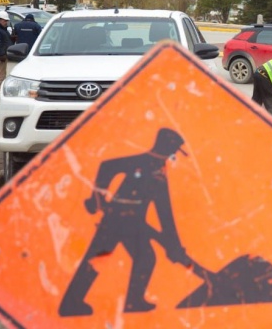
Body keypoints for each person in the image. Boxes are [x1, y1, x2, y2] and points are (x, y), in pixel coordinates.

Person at [59, 128, 192, 316]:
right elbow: (106, 166)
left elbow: (164, 211)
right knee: (99, 257)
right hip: (115, 217)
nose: (173, 155)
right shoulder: (142, 161)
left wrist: (174, 246)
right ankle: (70, 304)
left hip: (135, 222)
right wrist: (98, 199)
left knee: (145, 257)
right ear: (166, 145)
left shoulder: (159, 170)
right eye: (173, 150)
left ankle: (133, 302)